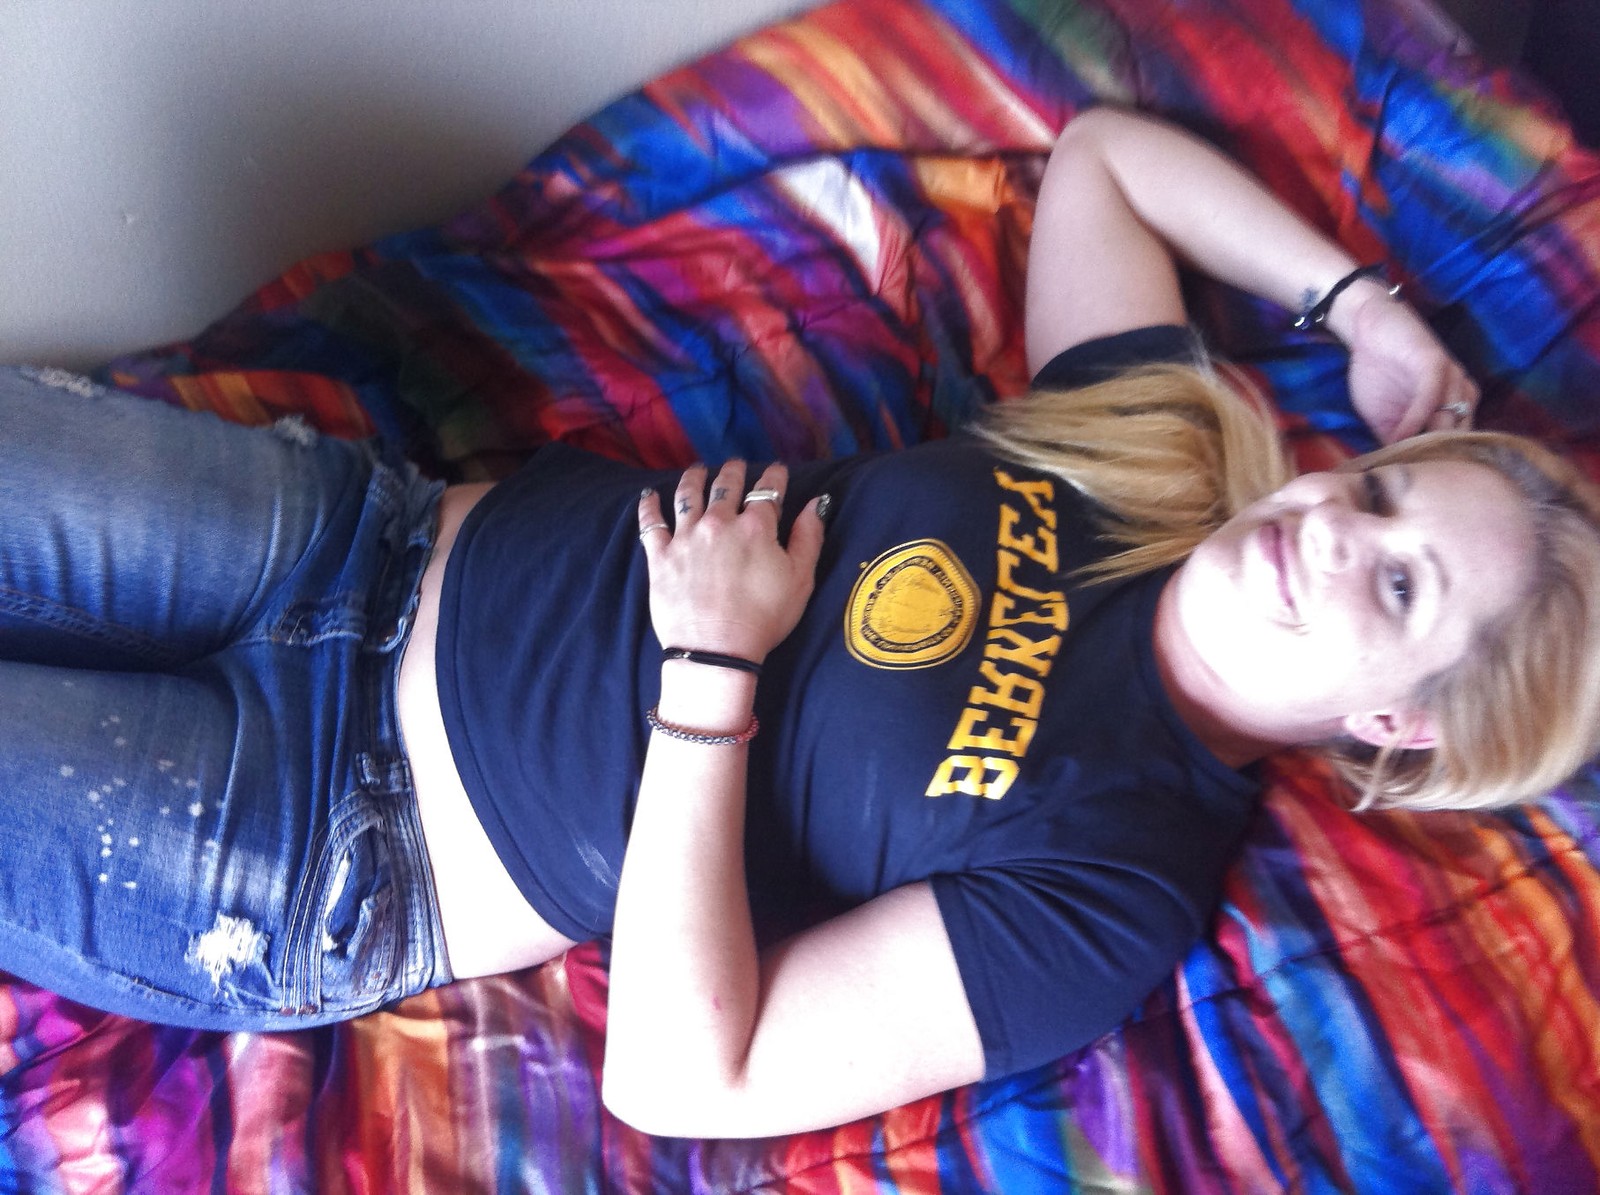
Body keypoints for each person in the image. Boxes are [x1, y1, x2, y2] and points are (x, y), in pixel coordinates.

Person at [2, 107, 1598, 1141]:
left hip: (332, 834)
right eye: (1378, 491)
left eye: (1400, 582)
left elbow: (689, 1079)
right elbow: (1105, 156)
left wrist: (714, 669)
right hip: (356, 538)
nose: (1331, 526)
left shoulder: (1121, 880)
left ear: (1399, 724)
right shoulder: (1159, 455)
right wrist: (1364, 308)